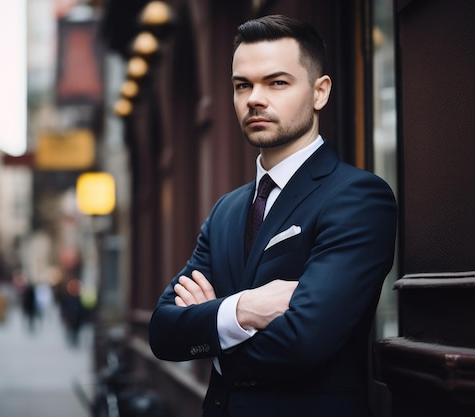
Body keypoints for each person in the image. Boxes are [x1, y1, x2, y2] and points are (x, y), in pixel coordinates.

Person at [149, 14, 397, 417]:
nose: (254, 99)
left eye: (276, 83)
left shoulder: (357, 197)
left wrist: (213, 330)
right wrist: (243, 309)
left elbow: (305, 340)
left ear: (320, 92)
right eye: (242, 85)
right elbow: (163, 331)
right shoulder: (226, 211)